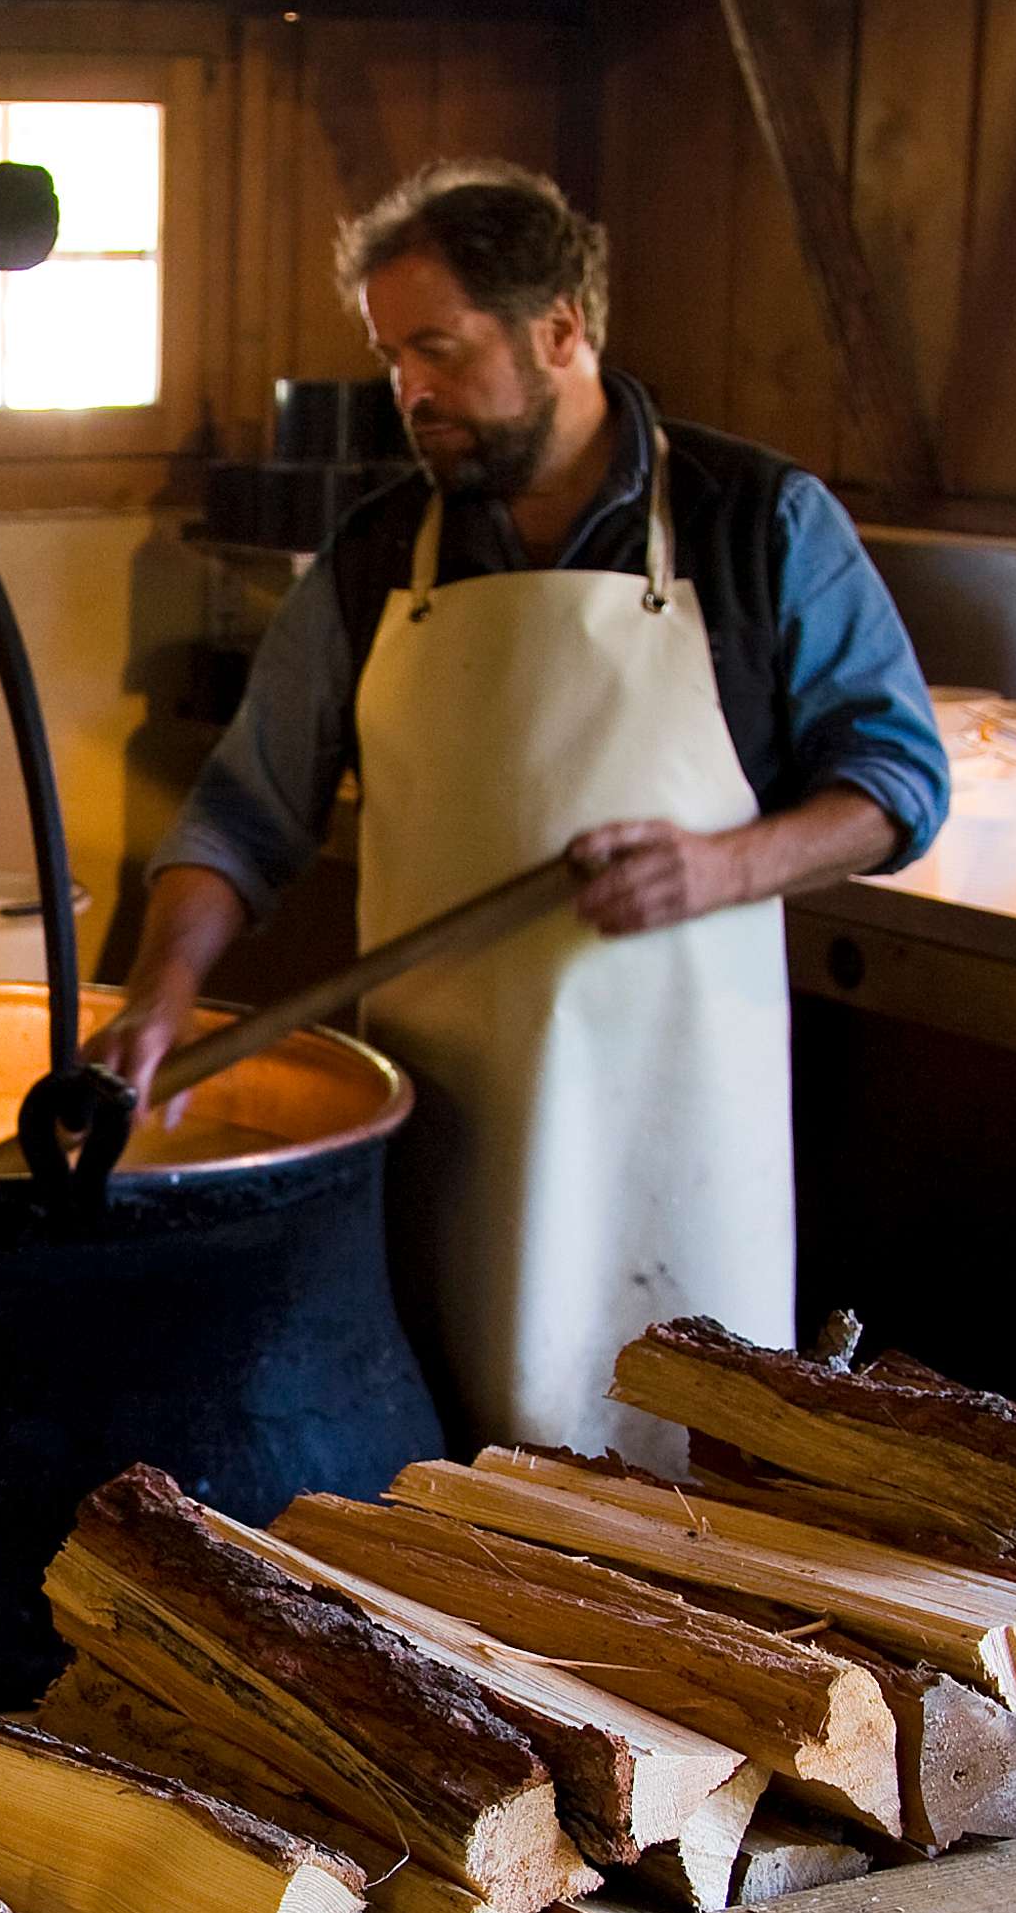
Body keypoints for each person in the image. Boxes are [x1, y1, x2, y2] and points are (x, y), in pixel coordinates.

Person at [100, 158, 947, 1454]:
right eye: (391, 360)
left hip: (673, 1121)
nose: (408, 394)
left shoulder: (754, 525)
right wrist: (162, 982)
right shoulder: (379, 556)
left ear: (559, 330)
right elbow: (240, 811)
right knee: (449, 1474)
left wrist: (725, 866)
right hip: (447, 1117)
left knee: (672, 1483)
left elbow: (898, 783)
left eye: (435, 351)